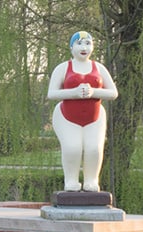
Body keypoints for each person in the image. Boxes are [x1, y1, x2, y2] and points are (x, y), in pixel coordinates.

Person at [47, 31, 118, 192]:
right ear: (71, 47)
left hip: (94, 118)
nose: (84, 47)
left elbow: (113, 93)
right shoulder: (63, 68)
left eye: (87, 43)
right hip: (68, 117)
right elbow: (52, 93)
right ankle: (71, 180)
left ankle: (91, 180)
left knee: (94, 148)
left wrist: (94, 92)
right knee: (73, 148)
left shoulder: (99, 68)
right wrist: (73, 93)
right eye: (79, 43)